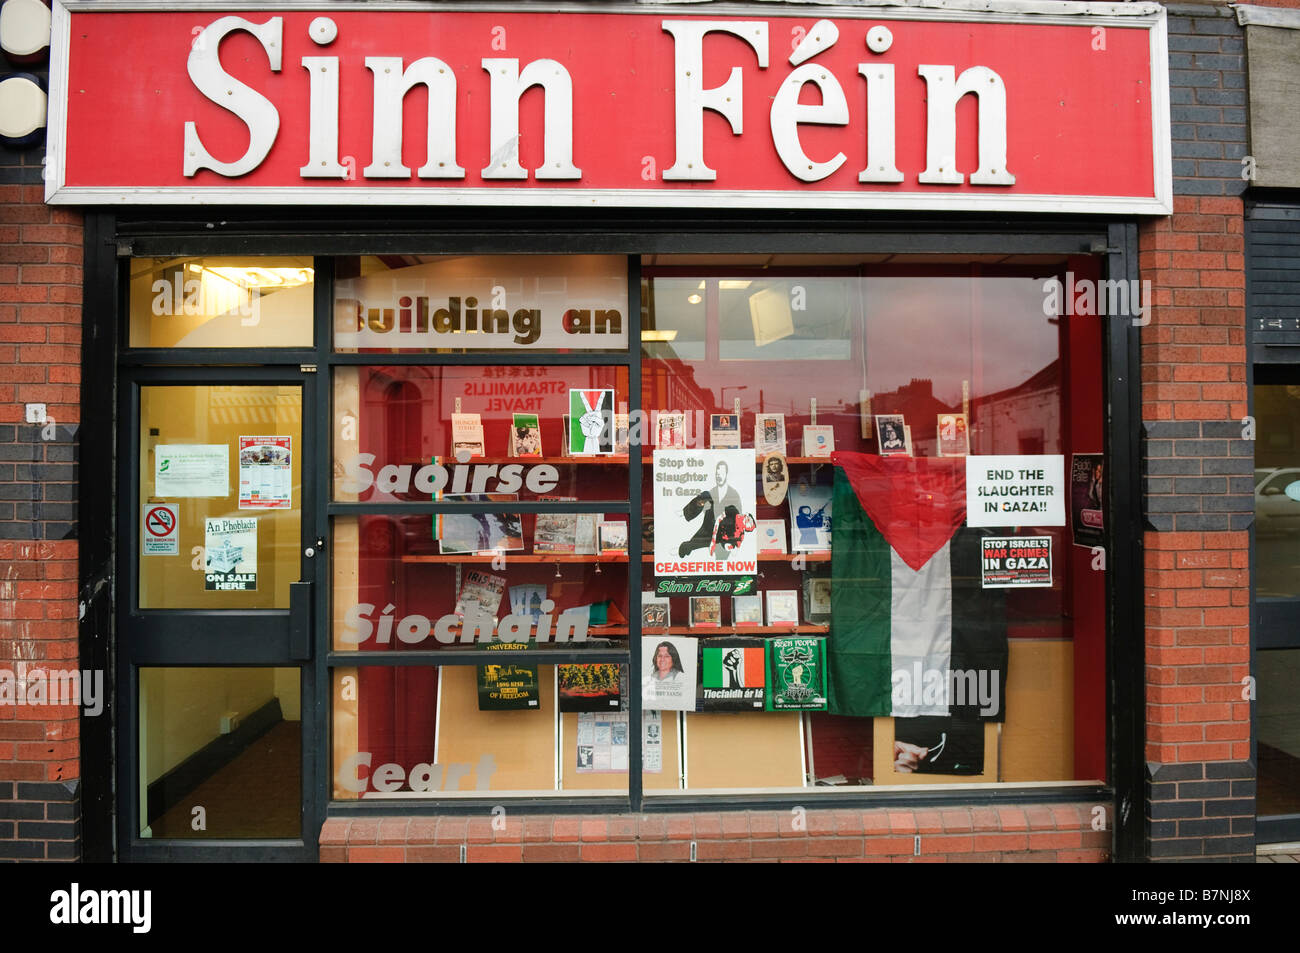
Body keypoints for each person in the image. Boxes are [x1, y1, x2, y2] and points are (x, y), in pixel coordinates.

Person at [679, 459, 743, 558]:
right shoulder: (711, 492)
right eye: (717, 474)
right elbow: (702, 519)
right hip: (708, 532)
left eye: (721, 473)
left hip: (727, 535)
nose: (719, 476)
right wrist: (699, 503)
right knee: (686, 548)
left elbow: (739, 521)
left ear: (726, 474)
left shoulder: (733, 494)